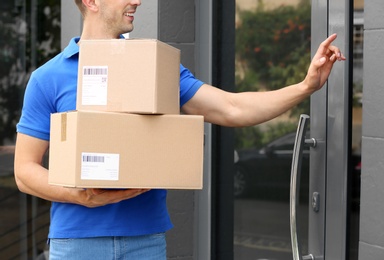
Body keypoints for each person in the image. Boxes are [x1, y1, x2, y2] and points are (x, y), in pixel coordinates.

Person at [14, 0, 346, 259]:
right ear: (91, 2)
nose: (138, 2)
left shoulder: (154, 68)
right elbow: (24, 170)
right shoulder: (48, 78)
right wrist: (82, 196)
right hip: (77, 243)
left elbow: (231, 108)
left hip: (144, 241)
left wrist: (305, 87)